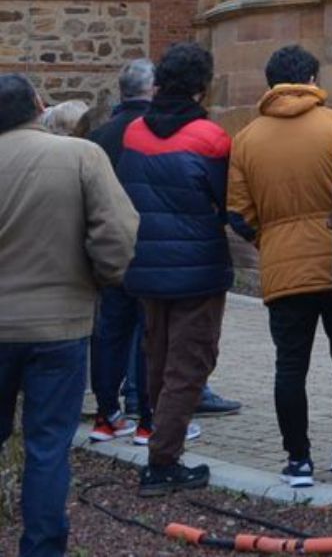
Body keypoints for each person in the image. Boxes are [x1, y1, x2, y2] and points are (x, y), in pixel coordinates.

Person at [0, 73, 138, 557]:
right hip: (59, 324)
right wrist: (101, 279)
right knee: (48, 446)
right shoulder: (80, 156)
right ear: (39, 105)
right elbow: (117, 234)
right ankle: (41, 549)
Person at [227, 44, 332, 486]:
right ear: (313, 78)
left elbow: (237, 214)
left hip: (282, 268)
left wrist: (270, 239)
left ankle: (297, 460)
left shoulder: (246, 139)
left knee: (290, 365)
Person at [117, 42, 233, 497]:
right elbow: (227, 204)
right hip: (197, 269)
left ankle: (157, 443)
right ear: (202, 88)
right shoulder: (211, 137)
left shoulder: (133, 133)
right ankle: (163, 461)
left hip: (146, 265)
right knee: (189, 365)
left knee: (158, 359)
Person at [87, 57, 155, 442]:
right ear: (153, 89)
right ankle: (148, 419)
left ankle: (106, 414)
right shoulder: (154, 132)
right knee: (150, 334)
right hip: (148, 246)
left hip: (108, 249)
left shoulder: (99, 136)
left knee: (109, 332)